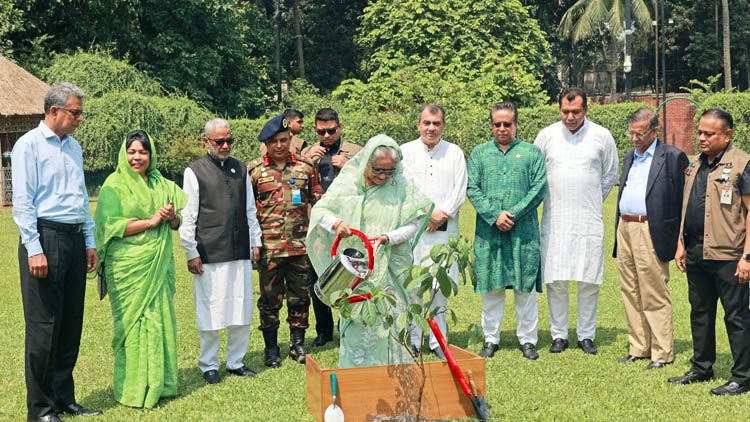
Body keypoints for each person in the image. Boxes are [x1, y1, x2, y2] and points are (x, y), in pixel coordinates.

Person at [12, 82, 102, 422]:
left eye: (81, 113)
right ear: (54, 111)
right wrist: (34, 248)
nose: (80, 118)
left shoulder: (74, 147)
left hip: (74, 237)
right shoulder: (28, 146)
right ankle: (41, 409)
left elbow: (80, 197)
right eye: (75, 113)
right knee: (43, 326)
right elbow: (22, 203)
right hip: (45, 237)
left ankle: (64, 399)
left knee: (69, 324)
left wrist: (89, 241)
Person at [307, 134, 433, 368]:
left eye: (389, 171)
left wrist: (387, 238)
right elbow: (320, 211)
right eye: (378, 170)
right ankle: (356, 377)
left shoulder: (400, 184)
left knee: (391, 323)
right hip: (355, 271)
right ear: (366, 161)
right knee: (356, 324)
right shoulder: (348, 181)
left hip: (390, 271)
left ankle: (392, 378)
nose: (384, 177)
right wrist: (336, 224)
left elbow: (414, 223)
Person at [95, 130, 187, 407]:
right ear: (124, 154)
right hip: (127, 266)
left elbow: (177, 223)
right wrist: (149, 222)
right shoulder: (114, 184)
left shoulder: (162, 183)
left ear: (151, 154)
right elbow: (110, 227)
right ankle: (132, 388)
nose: (137, 157)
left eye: (143, 152)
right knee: (131, 326)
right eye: (132, 152)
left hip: (156, 264)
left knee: (159, 321)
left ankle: (161, 383)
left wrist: (171, 218)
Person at [670, 108, 750, 396]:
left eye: (709, 134)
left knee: (736, 316)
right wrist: (681, 243)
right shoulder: (695, 163)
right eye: (700, 132)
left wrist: (747, 257)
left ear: (727, 135)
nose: (701, 138)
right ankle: (702, 367)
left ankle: (742, 376)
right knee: (700, 312)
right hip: (695, 251)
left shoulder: (742, 163)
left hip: (729, 255)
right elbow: (687, 205)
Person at [533, 88, 619, 355]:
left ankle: (586, 335)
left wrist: (592, 197)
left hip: (588, 219)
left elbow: (611, 173)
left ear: (586, 110)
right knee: (556, 279)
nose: (570, 117)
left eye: (576, 112)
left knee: (588, 279)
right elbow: (536, 174)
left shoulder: (601, 136)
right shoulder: (546, 136)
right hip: (555, 217)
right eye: (565, 111)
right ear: (559, 110)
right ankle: (558, 335)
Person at [179, 118, 262, 384]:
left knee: (241, 309)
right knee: (211, 311)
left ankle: (236, 362)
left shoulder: (241, 168)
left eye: (229, 140)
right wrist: (191, 251)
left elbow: (250, 209)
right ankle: (209, 365)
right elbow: (188, 215)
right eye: (219, 141)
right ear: (206, 142)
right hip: (209, 251)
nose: (225, 145)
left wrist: (255, 242)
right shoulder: (194, 171)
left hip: (239, 250)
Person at [467, 102, 547, 360]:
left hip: (523, 232)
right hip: (489, 232)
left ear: (516, 125)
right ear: (491, 125)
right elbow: (472, 188)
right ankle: (491, 339)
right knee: (492, 287)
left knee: (525, 287)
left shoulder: (532, 153)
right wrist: (494, 215)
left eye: (507, 124)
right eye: (497, 124)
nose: (502, 128)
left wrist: (512, 214)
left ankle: (528, 340)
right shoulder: (479, 154)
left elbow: (538, 188)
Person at [613, 108, 688, 369]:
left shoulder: (673, 157)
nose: (634, 138)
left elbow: (683, 200)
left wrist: (681, 240)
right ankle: (639, 347)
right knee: (630, 290)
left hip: (651, 230)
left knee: (654, 291)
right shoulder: (629, 157)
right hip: (625, 227)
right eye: (631, 133)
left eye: (640, 133)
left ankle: (661, 352)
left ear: (655, 131)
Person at [249, 114, 322, 368]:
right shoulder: (255, 171)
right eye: (273, 142)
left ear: (290, 138)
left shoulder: (305, 168)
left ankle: (297, 343)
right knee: (270, 301)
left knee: (300, 298)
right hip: (269, 249)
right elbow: (248, 212)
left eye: (283, 140)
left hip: (300, 247)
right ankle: (271, 348)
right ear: (266, 144)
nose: (279, 146)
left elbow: (317, 202)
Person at [401, 104, 467, 359]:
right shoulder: (405, 152)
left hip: (444, 232)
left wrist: (441, 215)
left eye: (436, 123)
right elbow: (403, 190)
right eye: (426, 123)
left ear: (443, 126)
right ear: (418, 125)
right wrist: (426, 214)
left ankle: (438, 342)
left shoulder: (454, 152)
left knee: (440, 288)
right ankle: (414, 340)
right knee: (414, 288)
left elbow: (460, 190)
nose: (431, 128)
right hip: (415, 231)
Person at [300, 107, 362, 347]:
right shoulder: (307, 153)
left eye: (331, 131)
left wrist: (349, 165)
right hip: (317, 224)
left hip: (346, 224)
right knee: (317, 276)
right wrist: (307, 160)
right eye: (321, 131)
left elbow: (369, 180)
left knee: (348, 274)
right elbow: (295, 183)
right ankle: (323, 330)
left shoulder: (355, 152)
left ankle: (345, 325)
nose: (326, 136)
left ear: (340, 127)